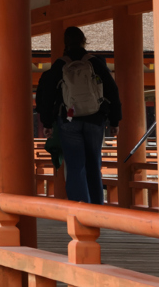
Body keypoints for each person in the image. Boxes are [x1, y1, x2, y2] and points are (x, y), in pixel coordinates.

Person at [35, 26, 122, 204]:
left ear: (65, 43)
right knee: (93, 165)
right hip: (95, 118)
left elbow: (47, 95)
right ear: (84, 40)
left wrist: (47, 123)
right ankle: (96, 209)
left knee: (75, 166)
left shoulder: (60, 64)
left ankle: (80, 211)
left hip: (68, 120)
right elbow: (112, 91)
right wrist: (115, 119)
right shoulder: (96, 63)